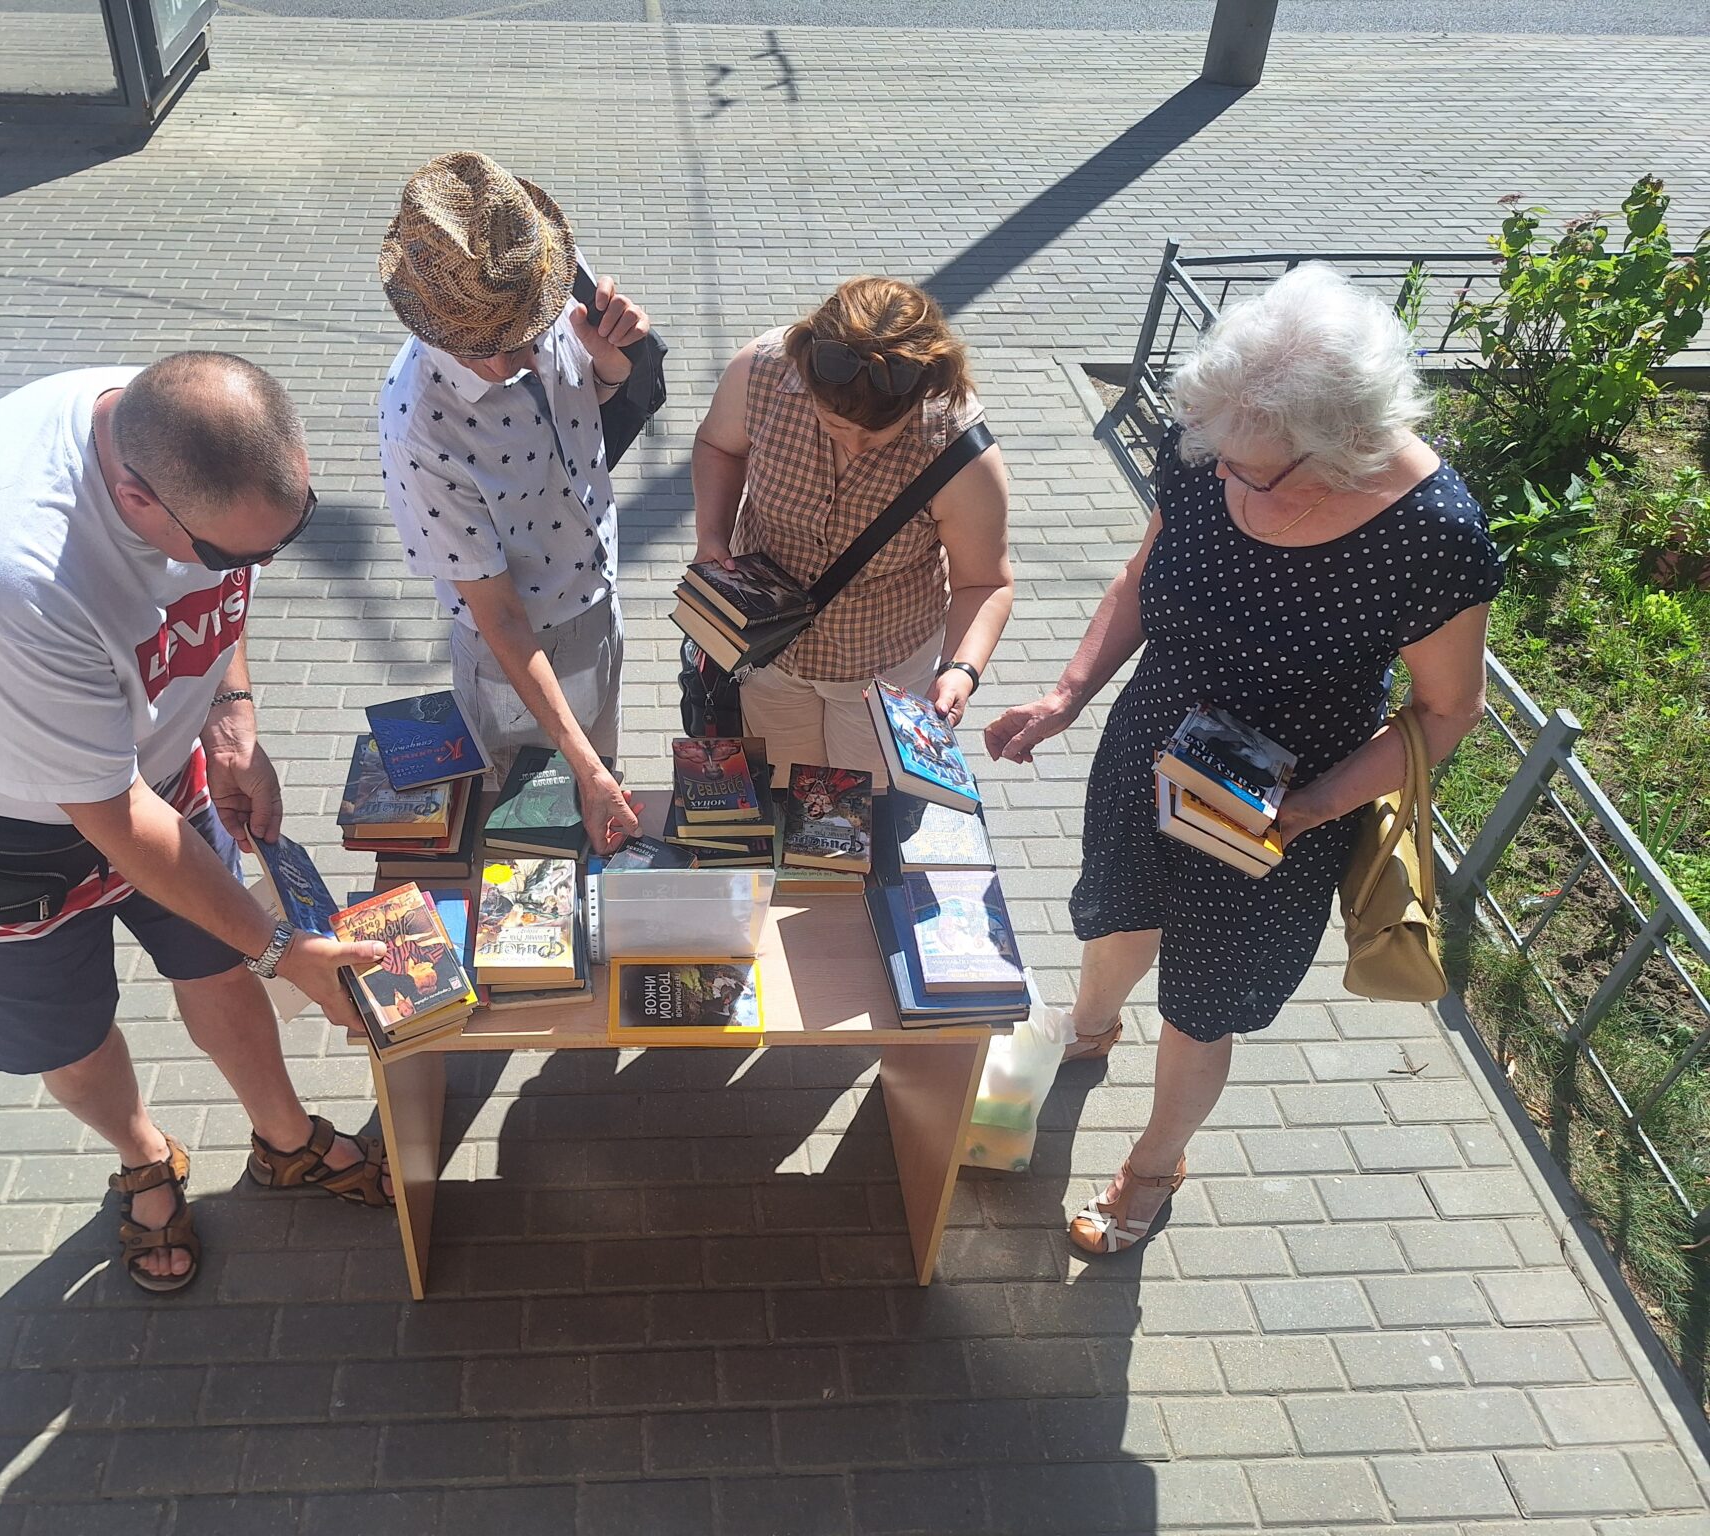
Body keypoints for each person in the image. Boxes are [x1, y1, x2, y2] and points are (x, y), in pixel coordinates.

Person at [982, 264, 1504, 1255]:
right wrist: (1066, 695)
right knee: (1118, 907)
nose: (1221, 478)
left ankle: (1154, 1163)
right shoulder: (1212, 444)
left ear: (1344, 446)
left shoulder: (1431, 535)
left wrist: (1312, 808)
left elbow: (1446, 711)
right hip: (1151, 742)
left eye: (1250, 472)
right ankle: (1089, 1028)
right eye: (1213, 455)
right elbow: (1141, 577)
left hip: (1282, 802)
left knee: (1203, 999)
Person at [0, 353, 396, 1295]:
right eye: (232, 554)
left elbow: (218, 591)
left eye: (290, 531)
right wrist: (284, 950)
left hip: (149, 768)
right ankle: (143, 1155)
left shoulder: (184, 428)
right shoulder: (7, 572)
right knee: (67, 1034)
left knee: (218, 960)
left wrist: (229, 713)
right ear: (136, 498)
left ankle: (285, 1138)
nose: (257, 568)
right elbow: (111, 814)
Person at [376, 151, 651, 853]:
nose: (526, 359)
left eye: (532, 334)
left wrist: (613, 361)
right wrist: (587, 768)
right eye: (492, 350)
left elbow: (595, 408)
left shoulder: (538, 274)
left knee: (592, 811)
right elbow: (496, 614)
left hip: (597, 607)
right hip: (517, 657)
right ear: (436, 330)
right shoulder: (421, 425)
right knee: (528, 842)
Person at [690, 277, 1014, 783]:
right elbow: (719, 446)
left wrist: (961, 669)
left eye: (878, 433)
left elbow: (984, 583)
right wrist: (711, 534)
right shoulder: (761, 372)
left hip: (882, 667)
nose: (856, 446)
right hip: (767, 653)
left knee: (863, 801)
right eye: (836, 424)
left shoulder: (958, 448)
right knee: (785, 786)